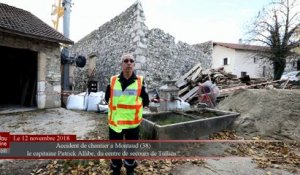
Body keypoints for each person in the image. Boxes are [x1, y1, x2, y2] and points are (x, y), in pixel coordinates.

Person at [105, 53, 149, 175]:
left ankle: (130, 170)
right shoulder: (113, 80)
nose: (129, 63)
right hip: (115, 123)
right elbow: (107, 97)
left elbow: (146, 101)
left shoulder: (140, 82)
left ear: (134, 64)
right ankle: (116, 170)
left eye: (131, 61)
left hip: (132, 124)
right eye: (126, 60)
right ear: (121, 64)